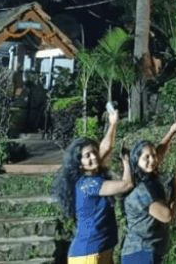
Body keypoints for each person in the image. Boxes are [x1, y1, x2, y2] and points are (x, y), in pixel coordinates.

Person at [54, 107, 132, 264]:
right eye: (86, 156)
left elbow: (105, 147)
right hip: (88, 255)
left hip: (100, 251)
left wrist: (113, 124)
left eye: (94, 153)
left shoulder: (88, 175)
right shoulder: (88, 184)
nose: (93, 157)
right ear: (79, 163)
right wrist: (127, 163)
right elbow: (126, 185)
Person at [121, 117, 176, 264]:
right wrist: (175, 188)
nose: (153, 160)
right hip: (141, 254)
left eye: (153, 156)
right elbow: (167, 215)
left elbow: (158, 152)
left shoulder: (142, 176)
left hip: (145, 251)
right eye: (146, 157)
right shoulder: (142, 191)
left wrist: (171, 132)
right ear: (137, 161)